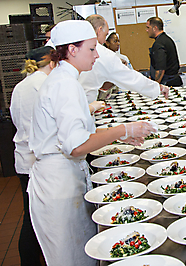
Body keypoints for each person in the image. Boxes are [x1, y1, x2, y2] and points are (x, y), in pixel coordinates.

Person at [27, 20, 156, 266]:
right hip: (58, 186)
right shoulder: (65, 84)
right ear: (72, 50)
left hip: (62, 179)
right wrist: (122, 129)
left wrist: (120, 134)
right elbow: (75, 145)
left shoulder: (65, 80)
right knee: (72, 260)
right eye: (91, 49)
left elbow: (74, 132)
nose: (97, 55)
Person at [10, 46, 55, 266]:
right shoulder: (44, 85)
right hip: (37, 162)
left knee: (30, 217)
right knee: (34, 222)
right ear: (53, 63)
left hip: (24, 160)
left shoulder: (20, 86)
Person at [78, 14, 169, 103]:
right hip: (85, 105)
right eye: (105, 35)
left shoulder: (75, 49)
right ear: (99, 30)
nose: (104, 41)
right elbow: (131, 78)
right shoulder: (103, 53)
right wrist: (158, 87)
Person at [146, 17, 182, 86]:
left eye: (148, 27)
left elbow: (160, 69)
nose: (147, 30)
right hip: (174, 81)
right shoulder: (167, 39)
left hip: (167, 83)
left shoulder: (159, 44)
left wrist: (155, 86)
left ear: (155, 28)